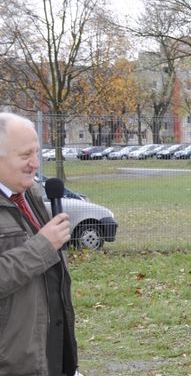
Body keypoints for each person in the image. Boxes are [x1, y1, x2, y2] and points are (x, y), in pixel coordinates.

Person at [0, 112, 78, 376]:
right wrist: (44, 245)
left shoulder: (28, 195)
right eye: (25, 156)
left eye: (37, 152)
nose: (35, 163)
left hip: (45, 354)